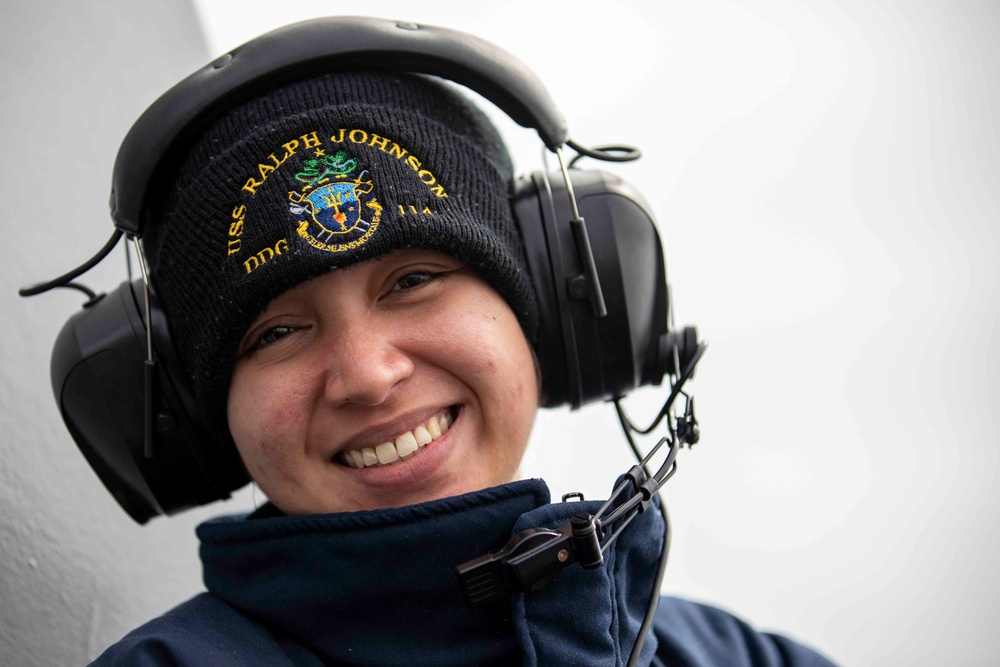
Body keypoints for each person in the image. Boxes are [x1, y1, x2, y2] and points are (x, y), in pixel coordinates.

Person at [47, 17, 834, 666]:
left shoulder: (742, 655)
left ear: (550, 308)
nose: (368, 373)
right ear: (198, 416)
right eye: (277, 330)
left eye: (413, 280)